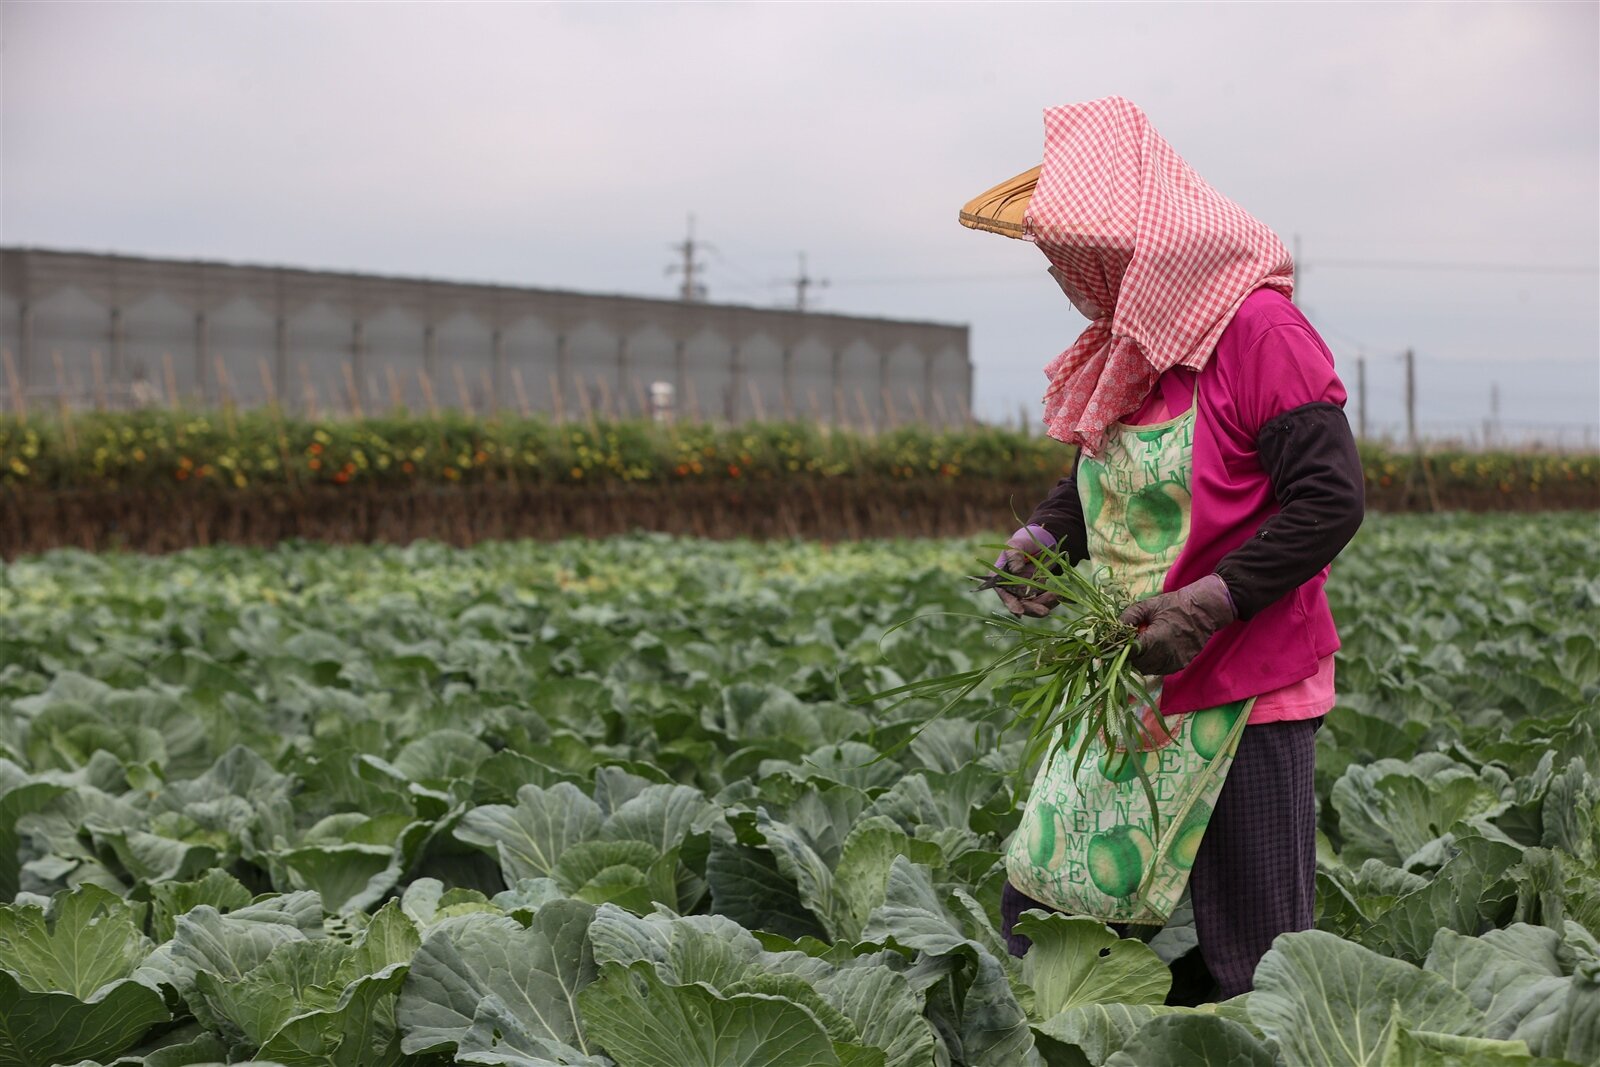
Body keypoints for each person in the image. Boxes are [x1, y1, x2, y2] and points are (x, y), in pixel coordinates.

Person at [961, 96, 1364, 1001]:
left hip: (1244, 688)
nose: (1070, 275)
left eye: (1084, 257)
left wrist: (1211, 600)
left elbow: (1330, 497)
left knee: (1254, 967)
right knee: (1044, 919)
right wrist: (1043, 538)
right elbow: (1099, 472)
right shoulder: (1131, 347)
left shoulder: (1260, 333)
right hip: (1130, 682)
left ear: (1143, 245)